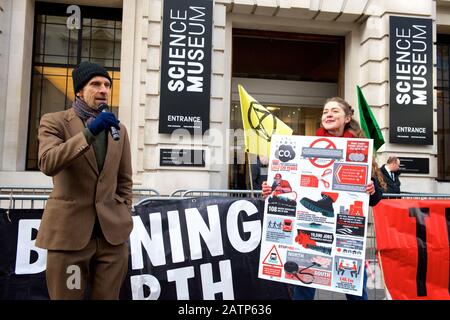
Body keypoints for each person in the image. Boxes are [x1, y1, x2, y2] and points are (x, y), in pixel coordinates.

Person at [262, 97, 383, 300]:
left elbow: (376, 198)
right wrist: (270, 191)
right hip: (310, 228)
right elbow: (291, 183)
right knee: (303, 284)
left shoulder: (358, 150)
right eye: (325, 111)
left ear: (347, 118)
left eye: (335, 111)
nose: (328, 114)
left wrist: (372, 189)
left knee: (354, 287)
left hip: (346, 234)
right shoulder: (305, 146)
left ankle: (326, 203)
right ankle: (324, 204)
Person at [36, 61, 133, 299]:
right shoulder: (54, 121)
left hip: (111, 240)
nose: (103, 90)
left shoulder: (117, 128)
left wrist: (123, 209)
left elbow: (125, 179)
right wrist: (89, 133)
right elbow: (48, 162)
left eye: (107, 85)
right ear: (79, 90)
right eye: (95, 84)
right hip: (70, 239)